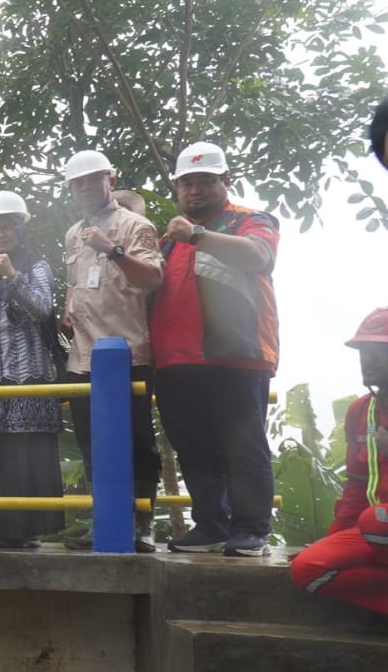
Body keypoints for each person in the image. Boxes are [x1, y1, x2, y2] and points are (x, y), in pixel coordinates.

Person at [152, 141, 281, 556]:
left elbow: (260, 256)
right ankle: (211, 525)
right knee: (193, 448)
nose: (195, 190)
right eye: (186, 183)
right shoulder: (167, 240)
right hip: (175, 361)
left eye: (205, 181)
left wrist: (197, 235)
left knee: (242, 445)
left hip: (235, 357)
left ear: (226, 181)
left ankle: (252, 529)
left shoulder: (249, 220)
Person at [60, 149, 164, 552]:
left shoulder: (136, 225)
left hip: (127, 353)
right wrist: (69, 307)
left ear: (111, 180)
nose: (85, 187)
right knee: (92, 445)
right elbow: (76, 281)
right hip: (83, 356)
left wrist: (112, 249)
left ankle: (142, 523)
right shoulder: (73, 233)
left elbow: (153, 278)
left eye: (93, 179)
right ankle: (103, 522)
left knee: (138, 442)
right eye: (78, 183)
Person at [0, 191, 66, 549]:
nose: (0, 234)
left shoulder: (36, 266)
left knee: (25, 453)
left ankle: (26, 528)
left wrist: (11, 276)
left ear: (20, 231)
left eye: (7, 227)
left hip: (28, 380)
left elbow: (41, 309)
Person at [289, 307, 388, 615]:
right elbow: (357, 488)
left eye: (378, 351)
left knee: (375, 519)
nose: (367, 360)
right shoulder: (360, 411)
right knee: (307, 567)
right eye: (363, 352)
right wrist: (333, 541)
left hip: (379, 526)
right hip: (378, 533)